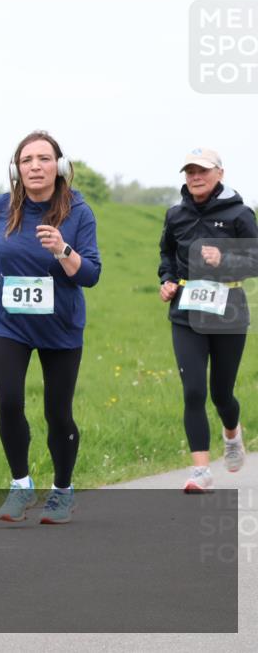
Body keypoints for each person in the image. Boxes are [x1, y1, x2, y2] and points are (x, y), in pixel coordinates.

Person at [0, 130, 101, 524]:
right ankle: (20, 485)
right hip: (10, 324)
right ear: (16, 168)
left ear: (59, 167)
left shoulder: (79, 212)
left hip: (61, 327)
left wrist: (63, 249)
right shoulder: (0, 207)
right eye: (27, 160)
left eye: (44, 159)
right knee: (9, 401)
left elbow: (91, 274)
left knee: (57, 412)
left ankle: (62, 491)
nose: (35, 167)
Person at [158, 148, 258, 493]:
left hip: (229, 311)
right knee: (194, 391)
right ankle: (200, 470)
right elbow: (167, 254)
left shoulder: (240, 213)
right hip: (186, 312)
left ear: (219, 173)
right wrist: (166, 280)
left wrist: (225, 256)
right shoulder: (176, 214)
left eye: (202, 170)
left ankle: (232, 434)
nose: (195, 177)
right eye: (189, 171)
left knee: (221, 393)